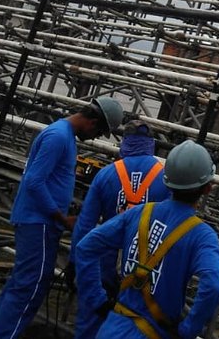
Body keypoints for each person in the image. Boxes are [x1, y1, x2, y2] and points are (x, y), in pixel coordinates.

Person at [0, 96, 124, 339]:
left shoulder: (64, 136)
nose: (94, 138)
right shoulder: (58, 137)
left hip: (40, 221)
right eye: (98, 132)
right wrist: (60, 217)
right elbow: (34, 181)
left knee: (23, 285)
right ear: (92, 122)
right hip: (37, 221)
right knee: (30, 286)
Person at [75, 140, 219, 339]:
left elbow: (86, 247)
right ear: (208, 188)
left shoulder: (139, 213)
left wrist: (98, 301)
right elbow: (214, 286)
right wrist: (188, 330)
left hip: (112, 328)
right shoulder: (202, 236)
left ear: (166, 181)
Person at [69, 121, 171, 339]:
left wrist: (74, 263)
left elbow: (84, 226)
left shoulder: (105, 175)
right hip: (142, 273)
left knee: (91, 324)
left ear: (124, 143)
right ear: (150, 144)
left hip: (103, 268)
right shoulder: (166, 179)